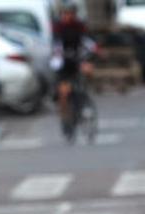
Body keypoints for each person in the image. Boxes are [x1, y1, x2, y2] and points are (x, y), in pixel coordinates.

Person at [53, 3, 88, 134]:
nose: (68, 16)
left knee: (86, 72)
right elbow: (56, 45)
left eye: (71, 13)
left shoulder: (79, 26)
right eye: (66, 13)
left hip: (76, 59)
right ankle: (65, 114)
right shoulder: (58, 27)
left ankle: (83, 100)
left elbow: (86, 41)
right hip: (62, 63)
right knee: (64, 91)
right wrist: (59, 54)